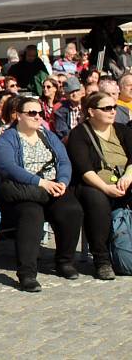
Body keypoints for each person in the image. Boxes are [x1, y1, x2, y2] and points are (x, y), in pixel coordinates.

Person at [0, 96, 83, 292]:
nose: (37, 116)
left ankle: (65, 261)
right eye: (31, 113)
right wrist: (41, 182)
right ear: (18, 115)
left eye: (40, 113)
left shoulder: (47, 135)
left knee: (71, 209)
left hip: (52, 187)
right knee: (31, 215)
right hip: (24, 191)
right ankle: (27, 274)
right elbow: (7, 167)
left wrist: (62, 182)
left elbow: (64, 161)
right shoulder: (8, 138)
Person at [66, 92, 132, 281]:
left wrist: (128, 176)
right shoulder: (79, 134)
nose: (112, 111)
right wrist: (106, 188)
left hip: (124, 180)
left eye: (113, 107)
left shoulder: (123, 130)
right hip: (92, 184)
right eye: (107, 108)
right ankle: (102, 260)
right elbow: (84, 169)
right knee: (97, 202)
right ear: (92, 112)